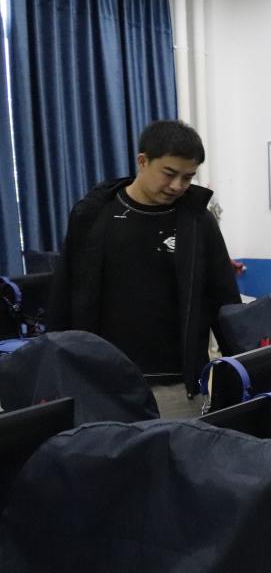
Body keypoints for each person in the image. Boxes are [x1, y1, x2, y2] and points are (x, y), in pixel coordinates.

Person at [48, 120, 241, 418]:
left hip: (178, 387)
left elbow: (224, 301)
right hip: (102, 383)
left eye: (188, 177)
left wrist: (241, 369)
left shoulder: (198, 222)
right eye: (169, 173)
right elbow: (65, 296)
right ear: (143, 161)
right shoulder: (93, 216)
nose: (177, 186)